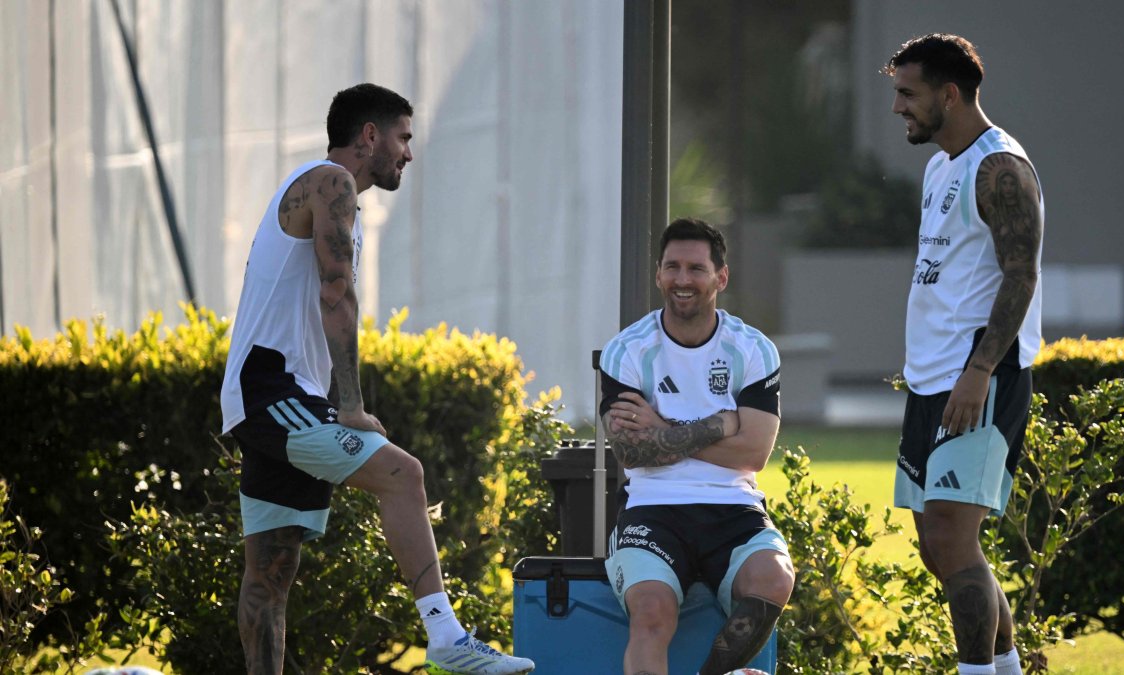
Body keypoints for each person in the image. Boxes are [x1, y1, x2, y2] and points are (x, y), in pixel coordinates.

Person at [220, 83, 534, 675]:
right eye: (403, 137)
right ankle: (445, 637)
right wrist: (352, 407)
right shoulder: (332, 182)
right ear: (369, 136)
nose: (408, 154)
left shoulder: (331, 195)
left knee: (269, 577)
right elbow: (334, 293)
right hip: (273, 395)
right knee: (403, 474)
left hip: (273, 398)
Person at [885, 34, 1044, 675]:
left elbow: (1021, 275)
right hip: (932, 379)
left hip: (980, 376)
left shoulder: (999, 167)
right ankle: (1004, 669)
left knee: (952, 533)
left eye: (908, 93)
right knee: (937, 544)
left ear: (949, 94)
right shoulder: (941, 164)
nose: (898, 107)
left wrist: (978, 370)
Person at [598, 218, 795, 675]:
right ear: (658, 273)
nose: (682, 280)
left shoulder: (753, 349)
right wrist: (719, 424)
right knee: (651, 613)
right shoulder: (626, 350)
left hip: (733, 509)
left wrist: (661, 428)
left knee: (773, 580)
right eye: (672, 267)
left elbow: (754, 454)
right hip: (652, 508)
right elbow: (630, 454)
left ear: (720, 277)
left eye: (696, 268)